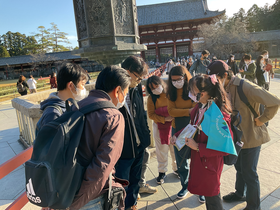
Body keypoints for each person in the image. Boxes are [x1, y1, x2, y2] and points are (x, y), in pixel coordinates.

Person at [208, 60, 280, 210]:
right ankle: (240, 193)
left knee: (249, 173)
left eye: (216, 79)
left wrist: (262, 119)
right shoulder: (223, 88)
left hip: (251, 137)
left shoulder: (245, 86)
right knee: (239, 167)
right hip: (236, 138)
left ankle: (254, 206)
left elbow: (275, 101)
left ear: (225, 75)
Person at [69, 65, 131, 210]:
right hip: (90, 198)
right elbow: (102, 166)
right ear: (117, 91)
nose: (124, 98)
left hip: (67, 188)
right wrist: (76, 204)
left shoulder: (76, 106)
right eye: (126, 92)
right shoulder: (113, 116)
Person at [171, 74, 233, 210]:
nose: (190, 93)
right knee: (207, 193)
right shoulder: (200, 106)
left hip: (210, 161)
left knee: (213, 195)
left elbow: (224, 146)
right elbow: (192, 126)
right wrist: (177, 135)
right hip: (201, 159)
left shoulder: (219, 114)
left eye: (192, 91)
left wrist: (198, 146)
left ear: (203, 93)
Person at [115, 56, 154, 210]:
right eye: (138, 77)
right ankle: (121, 206)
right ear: (127, 71)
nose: (139, 81)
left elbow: (142, 113)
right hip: (124, 147)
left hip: (139, 143)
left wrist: (146, 135)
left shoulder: (136, 88)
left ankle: (132, 204)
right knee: (122, 181)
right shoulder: (115, 90)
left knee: (136, 179)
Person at [167, 66, 205, 203]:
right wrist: (188, 111)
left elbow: (199, 107)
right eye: (173, 80)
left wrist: (184, 111)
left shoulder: (192, 89)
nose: (176, 82)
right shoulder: (170, 93)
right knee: (181, 161)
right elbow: (171, 111)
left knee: (198, 159)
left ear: (185, 77)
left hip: (194, 128)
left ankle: (201, 189)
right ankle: (185, 185)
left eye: (179, 79)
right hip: (178, 128)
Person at [36, 63, 88, 132]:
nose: (83, 88)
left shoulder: (68, 105)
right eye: (82, 84)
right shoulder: (53, 114)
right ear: (71, 85)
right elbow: (51, 142)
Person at [146, 75, 177, 185]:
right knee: (161, 149)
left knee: (175, 148)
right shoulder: (151, 98)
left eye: (156, 86)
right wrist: (164, 119)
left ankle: (176, 168)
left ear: (161, 84)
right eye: (152, 88)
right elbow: (151, 114)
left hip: (173, 125)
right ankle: (162, 171)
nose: (155, 89)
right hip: (160, 126)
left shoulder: (170, 93)